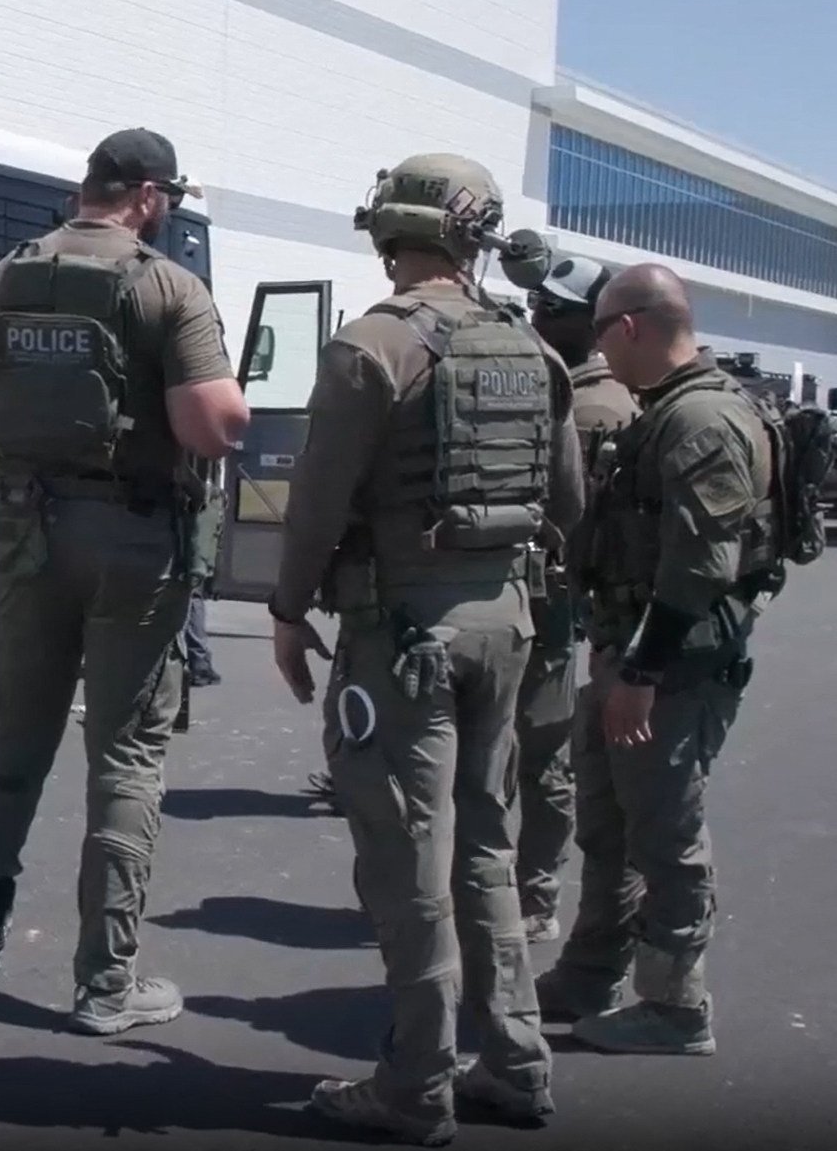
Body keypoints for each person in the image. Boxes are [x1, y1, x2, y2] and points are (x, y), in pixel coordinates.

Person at [269, 155, 583, 1142]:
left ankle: (415, 1086)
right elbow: (569, 506)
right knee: (485, 848)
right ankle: (518, 1064)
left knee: (409, 860)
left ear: (387, 232)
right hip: (506, 626)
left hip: (403, 634)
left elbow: (317, 503)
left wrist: (287, 611)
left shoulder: (372, 347)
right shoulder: (537, 352)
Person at [0, 127, 249, 1035]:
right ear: (148, 196)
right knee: (126, 756)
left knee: (13, 741)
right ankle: (105, 980)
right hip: (135, 540)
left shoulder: (4, 277)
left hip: (28, 534)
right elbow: (210, 427)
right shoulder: (166, 286)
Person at [539, 263, 775, 1058]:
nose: (600, 351)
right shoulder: (663, 412)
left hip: (667, 669)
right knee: (609, 824)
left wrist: (639, 673)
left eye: (601, 331)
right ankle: (591, 968)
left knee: (667, 833)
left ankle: (675, 1006)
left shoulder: (701, 420)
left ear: (629, 327)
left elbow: (700, 567)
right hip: (628, 653)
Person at [513, 260, 638, 942]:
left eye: (551, 309)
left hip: (550, 599)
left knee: (538, 751)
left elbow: (568, 516)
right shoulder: (584, 390)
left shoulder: (592, 406)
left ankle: (531, 895)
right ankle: (522, 890)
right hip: (548, 597)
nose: (537, 318)